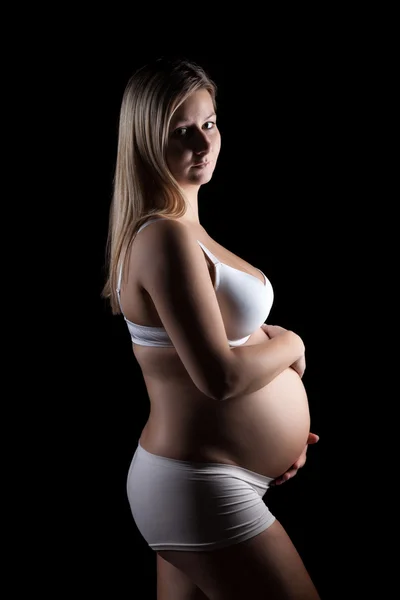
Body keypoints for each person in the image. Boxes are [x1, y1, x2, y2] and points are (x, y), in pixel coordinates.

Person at [102, 56, 321, 599]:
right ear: (147, 141)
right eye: (182, 132)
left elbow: (225, 337)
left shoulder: (185, 230)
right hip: (198, 484)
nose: (203, 144)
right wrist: (292, 343)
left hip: (207, 479)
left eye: (210, 124)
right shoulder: (163, 239)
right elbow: (219, 376)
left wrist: (279, 436)